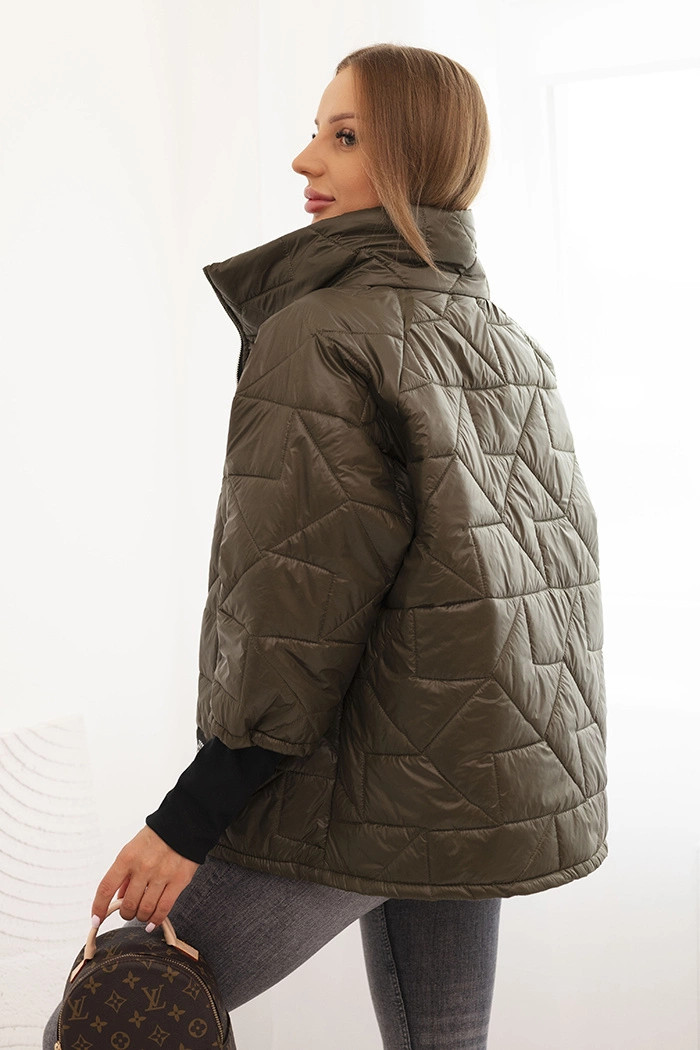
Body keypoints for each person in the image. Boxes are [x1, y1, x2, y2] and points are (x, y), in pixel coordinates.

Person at [44, 43, 608, 1050]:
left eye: (344, 137)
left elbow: (296, 609)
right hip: (468, 783)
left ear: (416, 157)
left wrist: (189, 818)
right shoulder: (506, 340)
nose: (306, 161)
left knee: (103, 1026)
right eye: (316, 131)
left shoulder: (320, 332)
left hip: (360, 784)